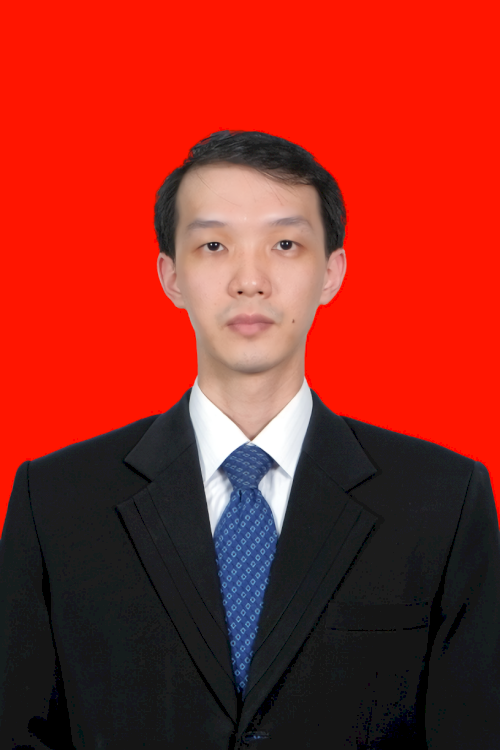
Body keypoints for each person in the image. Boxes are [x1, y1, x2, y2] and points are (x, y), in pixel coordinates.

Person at [1, 130, 499, 750]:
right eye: (214, 245)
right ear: (171, 275)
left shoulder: (443, 500)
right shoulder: (55, 502)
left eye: (285, 244)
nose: (250, 280)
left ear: (331, 273)